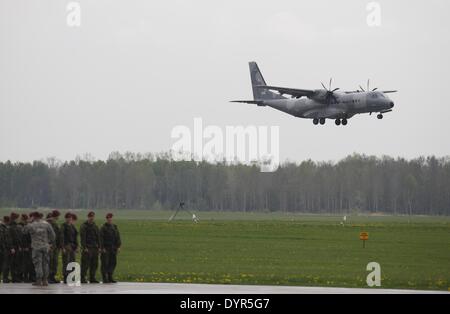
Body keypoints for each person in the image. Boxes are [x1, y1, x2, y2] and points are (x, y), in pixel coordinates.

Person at [24, 212, 55, 286]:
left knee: (38, 264)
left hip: (36, 247)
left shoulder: (31, 225)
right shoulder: (47, 224)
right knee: (45, 264)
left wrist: (28, 222)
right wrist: (49, 243)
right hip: (45, 247)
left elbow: (24, 231)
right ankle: (45, 280)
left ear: (33, 217)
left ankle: (38, 280)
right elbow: (53, 235)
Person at [100, 213, 121, 283]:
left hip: (113, 248)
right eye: (108, 218)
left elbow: (117, 237)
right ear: (107, 219)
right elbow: (101, 238)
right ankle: (104, 278)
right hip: (106, 248)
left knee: (113, 262)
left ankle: (110, 276)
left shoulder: (114, 227)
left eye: (111, 218)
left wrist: (118, 246)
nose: (110, 219)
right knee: (105, 263)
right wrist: (102, 247)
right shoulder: (103, 228)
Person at [80, 211, 100, 283]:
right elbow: (83, 238)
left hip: (94, 247)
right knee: (85, 264)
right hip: (87, 248)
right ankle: (82, 278)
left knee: (94, 264)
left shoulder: (95, 226)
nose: (92, 218)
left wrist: (99, 247)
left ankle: (92, 277)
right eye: (90, 216)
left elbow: (98, 237)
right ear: (88, 217)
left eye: (93, 217)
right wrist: (84, 247)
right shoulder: (84, 226)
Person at [61, 212, 78, 284]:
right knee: (66, 262)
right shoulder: (63, 226)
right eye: (68, 217)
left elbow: (75, 237)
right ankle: (66, 277)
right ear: (66, 218)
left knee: (72, 262)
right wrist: (62, 247)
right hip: (66, 246)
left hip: (72, 246)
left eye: (70, 217)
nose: (69, 219)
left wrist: (77, 246)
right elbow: (61, 237)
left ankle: (71, 277)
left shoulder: (72, 226)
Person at [6, 213, 23, 283]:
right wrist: (12, 247)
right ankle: (14, 278)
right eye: (18, 218)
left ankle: (15, 277)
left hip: (15, 246)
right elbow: (10, 238)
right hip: (13, 247)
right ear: (15, 218)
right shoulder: (11, 227)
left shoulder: (14, 226)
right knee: (13, 263)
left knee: (15, 263)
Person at [46, 210, 61, 283]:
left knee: (55, 262)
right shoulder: (48, 224)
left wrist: (59, 245)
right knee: (49, 261)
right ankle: (48, 277)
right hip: (50, 246)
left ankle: (52, 277)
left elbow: (58, 236)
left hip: (55, 246)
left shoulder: (55, 224)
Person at [18, 214, 34, 283]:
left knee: (29, 263)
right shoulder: (25, 227)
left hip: (30, 247)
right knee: (26, 263)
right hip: (27, 247)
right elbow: (23, 238)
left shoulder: (28, 226)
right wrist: (25, 246)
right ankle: (25, 277)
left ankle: (30, 277)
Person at [0, 216, 10, 282]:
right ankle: (5, 278)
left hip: (3, 248)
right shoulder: (3, 228)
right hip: (3, 248)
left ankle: (4, 278)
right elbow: (3, 239)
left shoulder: (4, 228)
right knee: (4, 263)